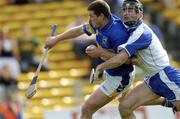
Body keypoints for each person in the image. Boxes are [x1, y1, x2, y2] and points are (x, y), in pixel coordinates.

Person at [45, 0, 135, 119]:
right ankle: (164, 100)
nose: (90, 19)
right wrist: (56, 39)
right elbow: (79, 30)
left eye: (91, 16)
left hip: (120, 77)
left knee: (87, 108)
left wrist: (100, 53)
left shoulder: (118, 34)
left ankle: (163, 98)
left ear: (101, 16)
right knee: (125, 110)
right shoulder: (99, 23)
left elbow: (127, 60)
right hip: (112, 73)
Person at [93, 0, 180, 118]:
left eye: (130, 10)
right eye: (124, 10)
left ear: (140, 14)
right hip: (152, 79)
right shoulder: (128, 30)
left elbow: (120, 59)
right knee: (125, 107)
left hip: (166, 76)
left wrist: (100, 67)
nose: (126, 13)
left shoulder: (141, 33)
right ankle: (168, 102)